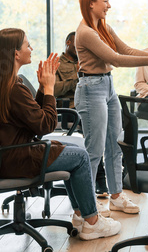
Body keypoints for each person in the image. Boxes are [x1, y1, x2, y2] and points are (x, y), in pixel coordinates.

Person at [0, 28, 121, 241]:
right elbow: (45, 125)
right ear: (16, 54)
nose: (31, 48)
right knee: (80, 157)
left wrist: (44, 87)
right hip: (18, 159)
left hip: (4, 158)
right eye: (27, 45)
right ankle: (92, 222)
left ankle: (82, 215)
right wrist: (50, 89)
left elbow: (30, 116)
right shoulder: (13, 88)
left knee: (76, 149)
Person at [74, 0, 148, 216]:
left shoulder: (102, 26)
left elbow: (126, 49)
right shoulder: (85, 33)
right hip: (91, 89)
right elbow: (116, 58)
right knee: (94, 150)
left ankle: (115, 195)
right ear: (91, 3)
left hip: (107, 85)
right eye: (105, 1)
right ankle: (87, 204)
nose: (109, 5)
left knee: (115, 144)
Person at [54, 32, 109, 198]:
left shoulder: (86, 62)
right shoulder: (56, 63)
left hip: (89, 103)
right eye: (77, 44)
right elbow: (55, 90)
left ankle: (121, 175)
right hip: (69, 109)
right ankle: (100, 179)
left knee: (113, 119)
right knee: (93, 125)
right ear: (68, 42)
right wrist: (77, 77)